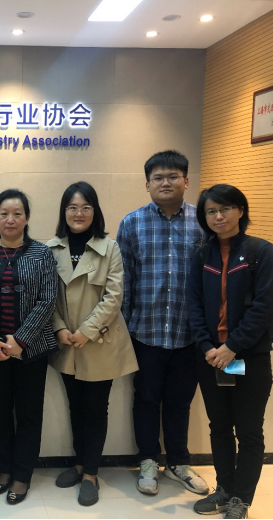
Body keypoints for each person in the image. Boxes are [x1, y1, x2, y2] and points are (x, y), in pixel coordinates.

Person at [116, 150, 209, 496]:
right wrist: (125, 328)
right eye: (158, 177)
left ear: (186, 181)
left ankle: (179, 463)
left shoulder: (202, 221)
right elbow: (123, 280)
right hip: (145, 331)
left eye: (172, 176)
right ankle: (147, 462)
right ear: (147, 184)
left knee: (180, 402)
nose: (165, 182)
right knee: (145, 399)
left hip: (190, 333)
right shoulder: (132, 223)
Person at [187, 185, 273, 520]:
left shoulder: (260, 251)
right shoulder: (202, 255)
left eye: (225, 208)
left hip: (248, 358)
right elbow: (194, 305)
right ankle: (224, 489)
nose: (218, 216)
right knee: (220, 427)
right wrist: (208, 347)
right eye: (211, 211)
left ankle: (242, 498)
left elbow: (264, 308)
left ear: (241, 210)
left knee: (249, 431)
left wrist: (231, 347)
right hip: (211, 358)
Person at [47, 182, 138, 507]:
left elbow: (114, 297)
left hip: (99, 342)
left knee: (96, 409)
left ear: (95, 212)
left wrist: (86, 330)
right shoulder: (50, 249)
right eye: (72, 207)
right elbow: (46, 296)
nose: (79, 213)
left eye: (86, 207)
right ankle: (79, 463)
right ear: (64, 212)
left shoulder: (109, 248)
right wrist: (59, 328)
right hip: (66, 343)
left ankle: (91, 473)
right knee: (75, 406)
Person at [0, 189, 58, 505]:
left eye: (17, 213)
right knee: (0, 413)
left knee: (30, 414)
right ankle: (4, 468)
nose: (10, 219)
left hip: (31, 351)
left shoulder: (42, 254)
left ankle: (22, 474)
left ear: (27, 218)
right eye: (4, 213)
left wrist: (20, 340)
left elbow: (48, 300)